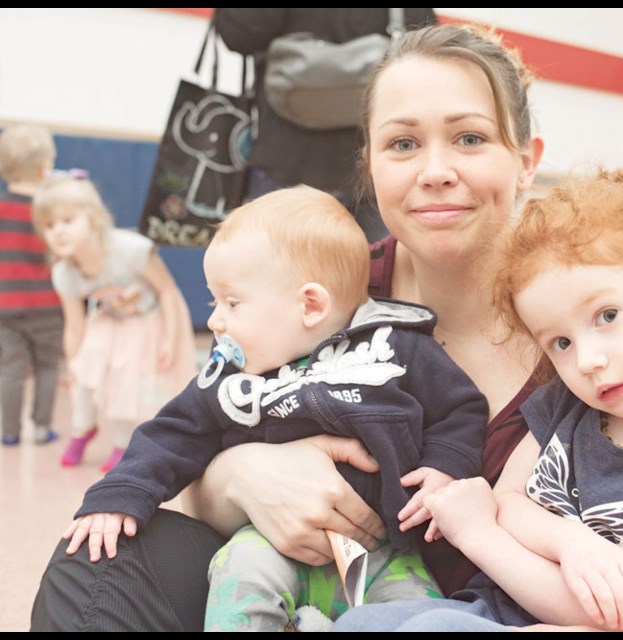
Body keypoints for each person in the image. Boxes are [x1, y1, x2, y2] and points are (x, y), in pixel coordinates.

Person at [31, 23, 623, 632]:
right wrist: (242, 478)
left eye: (470, 138)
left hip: (520, 608)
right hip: (322, 584)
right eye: (404, 144)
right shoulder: (322, 294)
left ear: (526, 159)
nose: (435, 168)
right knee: (97, 560)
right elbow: (192, 436)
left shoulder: (591, 308)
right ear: (372, 166)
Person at [332, 168, 623, 632]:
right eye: (560, 342)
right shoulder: (570, 403)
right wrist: (569, 540)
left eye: (607, 315)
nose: (587, 360)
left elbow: (603, 611)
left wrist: (477, 533)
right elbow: (510, 498)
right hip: (491, 607)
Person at [60, 185, 488, 632]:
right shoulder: (231, 379)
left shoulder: (397, 348)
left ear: (310, 305)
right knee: (240, 579)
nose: (214, 320)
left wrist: (444, 467)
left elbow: (459, 410)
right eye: (213, 301)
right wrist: (118, 497)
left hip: (387, 553)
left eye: (231, 302)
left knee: (425, 617)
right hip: (267, 543)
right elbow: (171, 432)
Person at [213, 8, 438, 244]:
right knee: (379, 276)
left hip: (290, 161)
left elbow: (239, 32)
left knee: (270, 275)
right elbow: (424, 51)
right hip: (373, 168)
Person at [30, 174, 197, 472]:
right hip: (109, 322)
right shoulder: (65, 273)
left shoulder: (130, 250)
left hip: (149, 321)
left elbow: (168, 292)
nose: (58, 232)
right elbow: (74, 324)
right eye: (50, 225)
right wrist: (73, 365)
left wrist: (171, 339)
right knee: (85, 369)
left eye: (67, 220)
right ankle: (83, 428)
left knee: (126, 380)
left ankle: (122, 442)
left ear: (93, 219)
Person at [0, 124, 64, 446]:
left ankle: (8, 432)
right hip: (47, 305)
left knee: (10, 369)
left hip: (5, 306)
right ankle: (41, 428)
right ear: (44, 168)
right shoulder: (50, 212)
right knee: (48, 366)